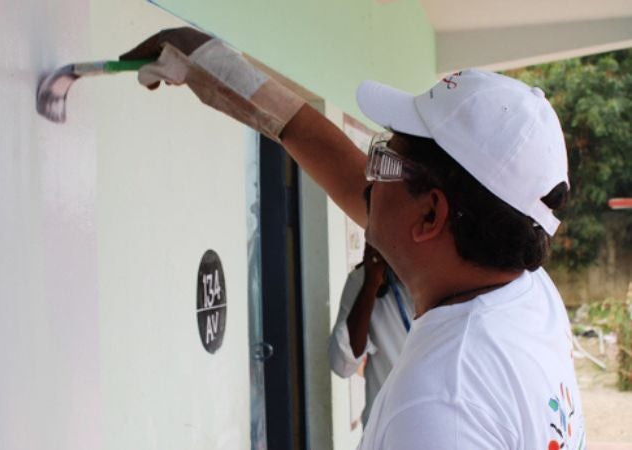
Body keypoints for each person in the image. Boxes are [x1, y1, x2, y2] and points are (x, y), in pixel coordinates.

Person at [121, 27, 586, 449]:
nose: (368, 175)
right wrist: (208, 60)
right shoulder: (525, 292)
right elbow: (328, 156)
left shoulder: (440, 410)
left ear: (429, 214)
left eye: (384, 161)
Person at [328, 243, 413, 426]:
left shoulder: (449, 279)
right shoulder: (363, 279)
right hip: (389, 430)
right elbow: (342, 364)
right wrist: (370, 285)